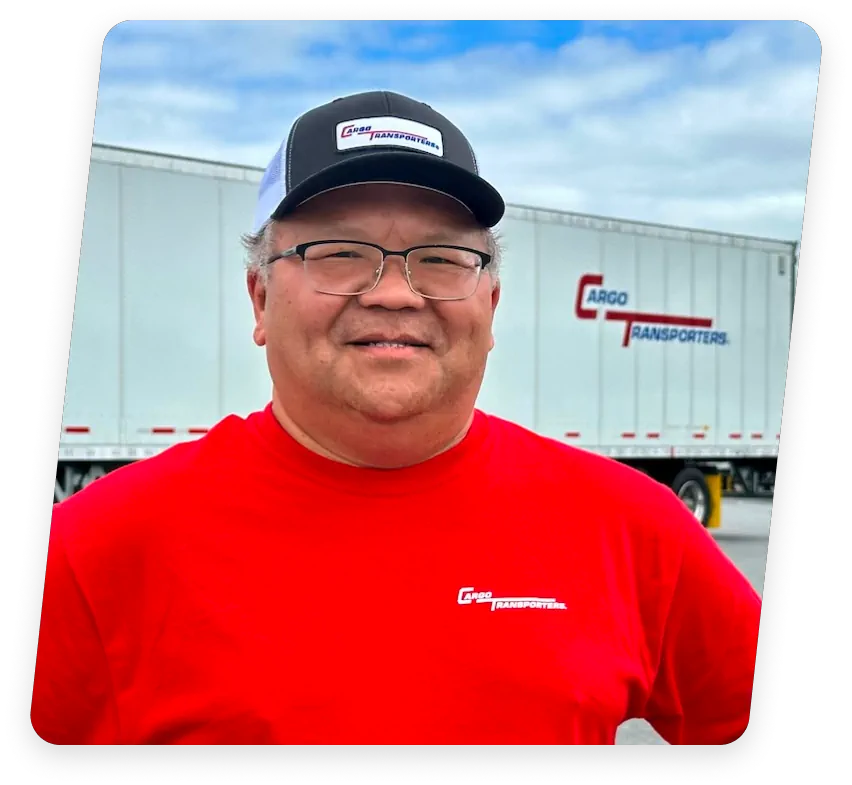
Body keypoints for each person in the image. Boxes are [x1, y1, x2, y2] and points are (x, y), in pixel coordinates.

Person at [31, 90, 762, 746]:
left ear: (491, 305)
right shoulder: (94, 552)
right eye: (340, 252)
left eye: (441, 258)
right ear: (258, 298)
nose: (393, 293)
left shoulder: (634, 528)